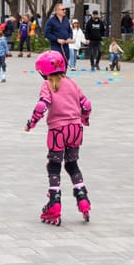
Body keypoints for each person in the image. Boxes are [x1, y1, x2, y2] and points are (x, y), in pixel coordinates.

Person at [24, 50, 92, 226]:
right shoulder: (72, 83)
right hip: (76, 129)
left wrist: (31, 122)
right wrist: (84, 119)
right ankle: (83, 198)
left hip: (58, 131)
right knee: (72, 164)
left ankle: (54, 202)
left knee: (54, 166)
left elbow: (42, 105)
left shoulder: (47, 85)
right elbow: (86, 104)